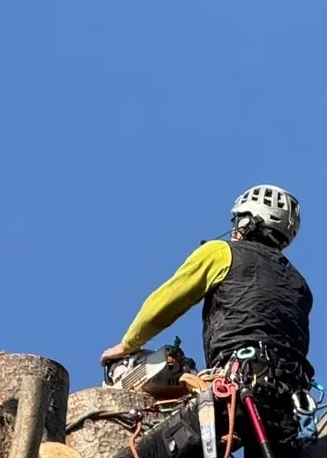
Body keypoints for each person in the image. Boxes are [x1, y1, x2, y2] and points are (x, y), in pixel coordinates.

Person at [100, 186, 314, 458]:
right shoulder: (299, 285)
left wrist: (128, 344)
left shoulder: (222, 252)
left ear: (247, 221)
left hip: (238, 390)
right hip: (286, 409)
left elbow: (166, 302)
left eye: (237, 221)